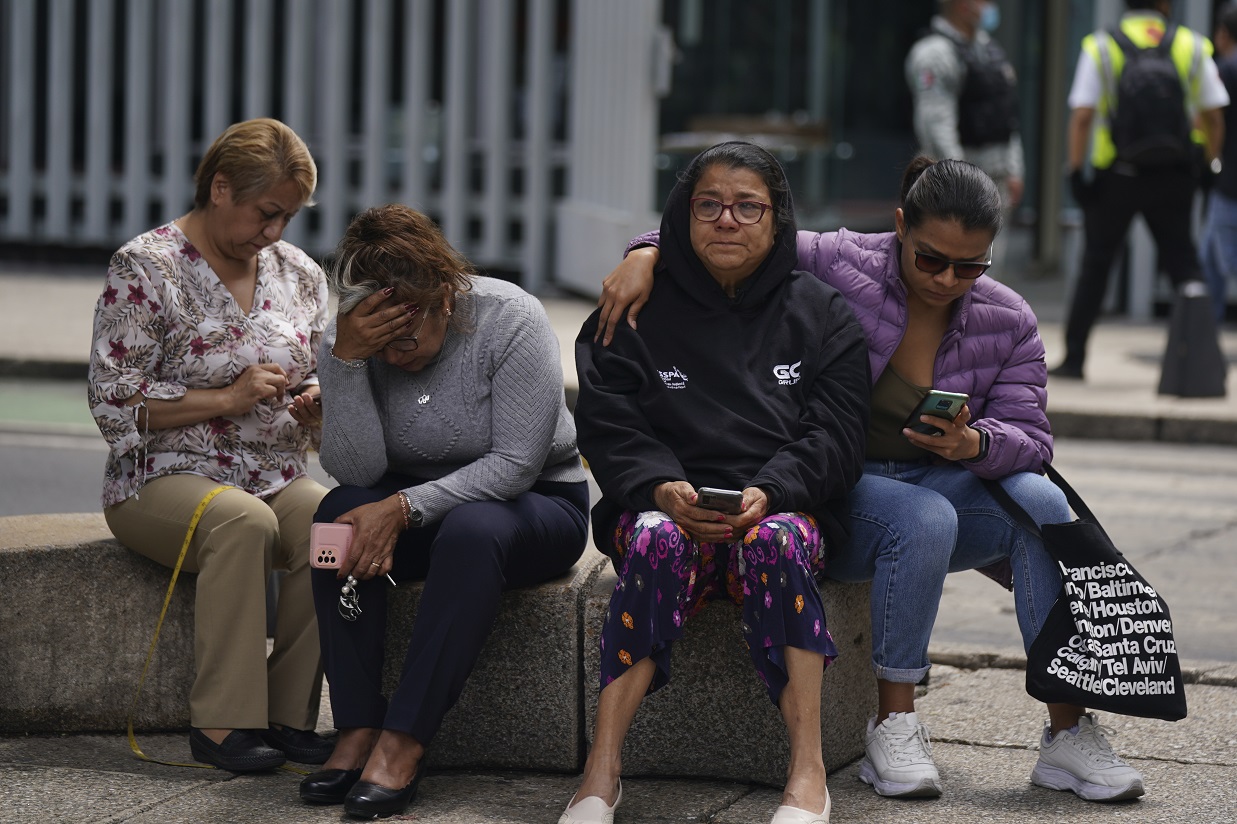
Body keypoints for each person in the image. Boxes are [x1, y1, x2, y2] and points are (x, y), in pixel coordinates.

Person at [595, 157, 1148, 804]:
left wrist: (974, 442)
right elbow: (741, 232)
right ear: (897, 229)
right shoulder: (840, 260)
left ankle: (1067, 733)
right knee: (922, 518)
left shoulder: (1008, 319)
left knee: (1041, 503)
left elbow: (1030, 439)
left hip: (933, 477)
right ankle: (893, 723)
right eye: (929, 259)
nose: (946, 279)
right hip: (837, 486)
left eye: (969, 266)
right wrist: (643, 252)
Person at [562, 142, 870, 824]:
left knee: (778, 544)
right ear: (683, 212)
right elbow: (609, 423)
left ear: (776, 218)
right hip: (663, 507)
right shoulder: (631, 309)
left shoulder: (823, 315)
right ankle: (600, 772)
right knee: (650, 540)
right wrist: (661, 487)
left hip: (781, 510)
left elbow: (837, 437)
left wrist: (773, 490)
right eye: (708, 205)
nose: (725, 220)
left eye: (746, 207)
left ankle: (807, 772)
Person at [298, 204, 589, 819]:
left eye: (407, 333)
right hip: (405, 500)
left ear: (445, 300)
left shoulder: (510, 318)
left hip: (531, 505)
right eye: (380, 339)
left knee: (472, 529)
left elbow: (515, 464)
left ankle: (404, 739)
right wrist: (346, 363)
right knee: (335, 515)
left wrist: (405, 508)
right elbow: (357, 473)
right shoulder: (350, 339)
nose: (395, 352)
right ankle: (355, 725)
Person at [87, 118, 333, 771]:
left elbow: (320, 374)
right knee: (243, 523)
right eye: (267, 212)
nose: (275, 232)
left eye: (289, 216)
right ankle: (223, 725)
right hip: (158, 479)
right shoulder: (146, 266)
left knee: (329, 522)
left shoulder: (300, 273)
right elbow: (112, 397)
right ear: (220, 188)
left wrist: (316, 406)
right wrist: (227, 399)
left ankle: (289, 717)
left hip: (273, 468)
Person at [1055, 0, 1228, 379]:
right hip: (1174, 176)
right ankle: (1200, 361)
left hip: (1116, 175)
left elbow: (1082, 115)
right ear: (1165, 4)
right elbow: (1215, 115)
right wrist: (1209, 163)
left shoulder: (1101, 46)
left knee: (1096, 265)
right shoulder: (1191, 44)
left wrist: (1074, 172)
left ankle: (1074, 359)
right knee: (1185, 267)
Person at [905, 0, 1023, 272]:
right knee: (953, 268)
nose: (989, 6)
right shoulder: (934, 53)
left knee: (990, 270)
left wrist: (1015, 169)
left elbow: (1007, 115)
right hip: (953, 182)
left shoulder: (989, 49)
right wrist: (961, 178)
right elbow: (936, 124)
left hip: (997, 176)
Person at [1200, 1, 1237, 325]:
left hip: (1229, 183)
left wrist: (1211, 158)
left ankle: (1205, 331)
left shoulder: (1225, 69)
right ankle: (1205, 331)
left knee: (1223, 261)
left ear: (1224, 34)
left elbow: (1209, 118)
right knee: (1209, 258)